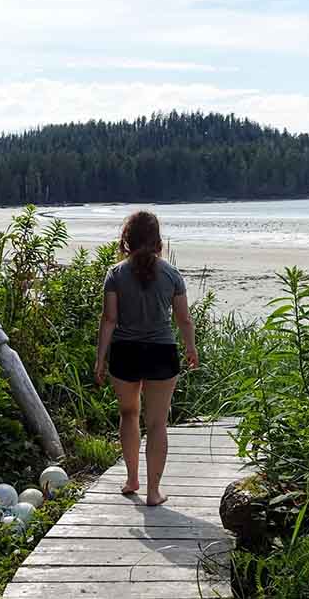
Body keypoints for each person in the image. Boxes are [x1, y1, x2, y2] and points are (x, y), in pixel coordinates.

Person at [94, 210, 198, 506]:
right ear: (157, 240)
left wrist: (100, 359)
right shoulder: (172, 274)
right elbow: (184, 320)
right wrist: (191, 349)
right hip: (161, 353)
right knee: (157, 424)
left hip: (125, 352)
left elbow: (109, 319)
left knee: (128, 414)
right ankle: (153, 492)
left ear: (127, 239)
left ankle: (131, 479)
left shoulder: (115, 274)